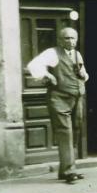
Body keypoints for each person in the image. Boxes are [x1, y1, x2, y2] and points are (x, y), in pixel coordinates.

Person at [27, 27, 88, 184]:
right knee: (65, 131)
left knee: (75, 129)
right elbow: (33, 66)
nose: (71, 41)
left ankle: (66, 169)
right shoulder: (52, 53)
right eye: (67, 38)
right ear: (60, 40)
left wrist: (84, 76)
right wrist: (47, 75)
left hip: (76, 96)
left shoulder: (77, 54)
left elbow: (84, 74)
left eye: (73, 38)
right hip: (59, 98)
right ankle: (69, 171)